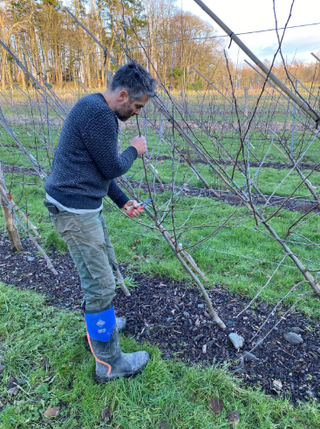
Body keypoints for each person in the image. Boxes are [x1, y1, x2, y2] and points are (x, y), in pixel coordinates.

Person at [44, 62, 157, 382]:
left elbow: (95, 170)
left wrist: (122, 201)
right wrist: (134, 150)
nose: (137, 113)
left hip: (81, 206)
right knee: (101, 284)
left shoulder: (93, 107)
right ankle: (109, 364)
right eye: (137, 106)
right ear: (122, 95)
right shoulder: (101, 116)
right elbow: (111, 167)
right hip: (75, 212)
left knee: (102, 270)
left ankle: (99, 328)